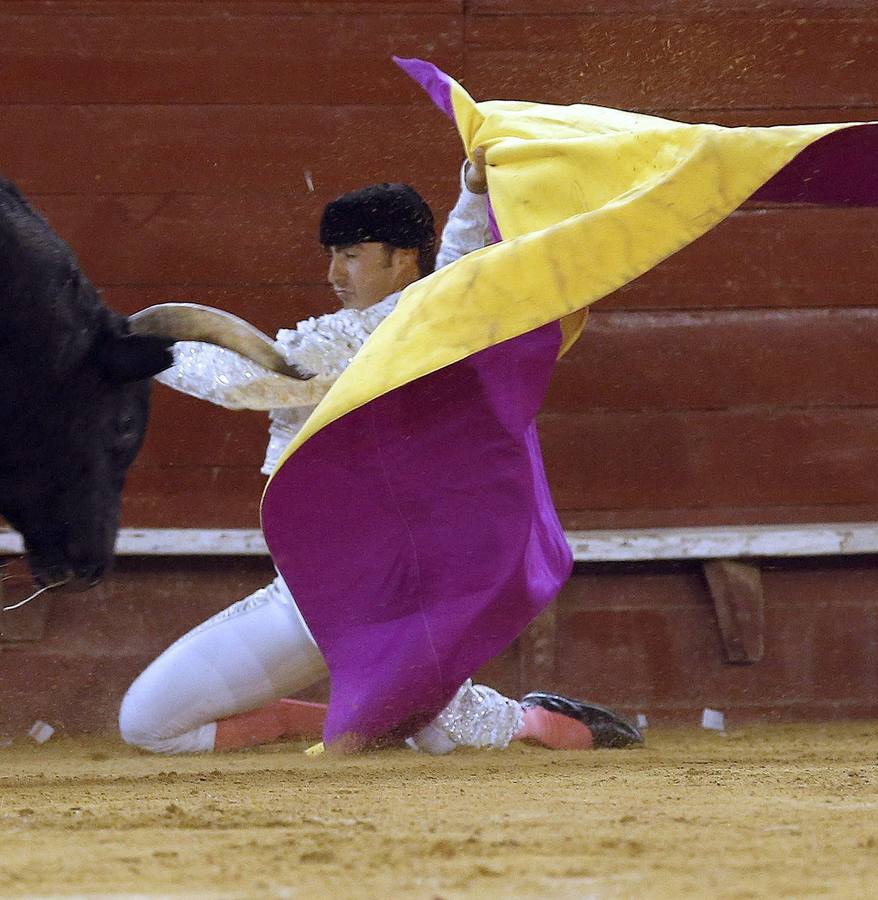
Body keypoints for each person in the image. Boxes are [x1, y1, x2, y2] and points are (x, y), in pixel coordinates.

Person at [118, 151, 641, 755]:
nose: (335, 274)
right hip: (337, 596)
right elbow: (456, 268)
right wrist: (471, 194)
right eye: (332, 256)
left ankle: (516, 718)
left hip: (366, 606)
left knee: (151, 726)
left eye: (352, 255)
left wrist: (146, 350)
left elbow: (251, 381)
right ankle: (348, 717)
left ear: (401, 259)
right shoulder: (435, 316)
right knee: (151, 726)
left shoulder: (374, 334)